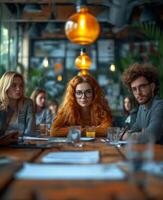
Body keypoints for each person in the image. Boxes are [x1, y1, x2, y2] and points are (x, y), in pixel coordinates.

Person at [122, 63, 163, 144]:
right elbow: (134, 128)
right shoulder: (142, 107)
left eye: (142, 87)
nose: (138, 93)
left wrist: (128, 136)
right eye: (134, 89)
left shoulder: (160, 105)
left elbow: (151, 135)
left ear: (152, 87)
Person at [0, 71, 35, 138]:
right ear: (5, 87)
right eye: (14, 85)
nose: (18, 89)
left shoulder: (27, 103)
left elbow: (30, 132)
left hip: (22, 146)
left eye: (21, 85)